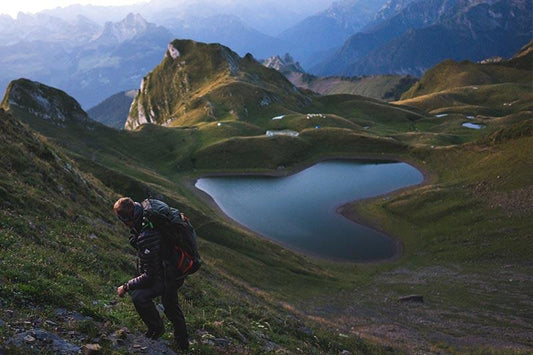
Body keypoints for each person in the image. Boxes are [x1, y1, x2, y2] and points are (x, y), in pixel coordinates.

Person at [114, 197, 189, 351]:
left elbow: (150, 276)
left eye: (122, 220)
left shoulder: (147, 235)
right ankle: (180, 343)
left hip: (170, 274)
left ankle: (162, 333)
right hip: (170, 269)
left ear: (127, 218)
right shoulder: (143, 213)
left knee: (141, 297)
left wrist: (126, 286)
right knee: (171, 306)